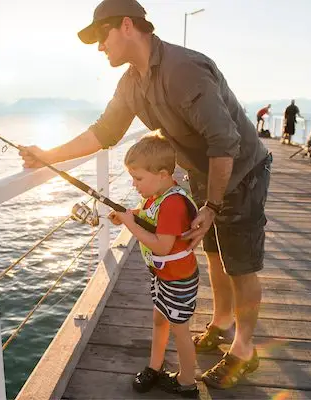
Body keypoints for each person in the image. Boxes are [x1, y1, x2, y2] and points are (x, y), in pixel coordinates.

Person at [18, 0, 271, 390]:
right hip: (202, 168)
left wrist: (212, 205)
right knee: (214, 251)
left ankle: (244, 349)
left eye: (101, 37)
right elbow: (103, 132)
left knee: (241, 261)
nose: (100, 48)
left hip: (240, 167)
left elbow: (225, 141)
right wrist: (48, 155)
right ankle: (222, 321)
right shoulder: (130, 84)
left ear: (126, 26)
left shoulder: (183, 69)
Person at [107, 133, 200, 397]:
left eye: (138, 178)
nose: (134, 184)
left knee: (181, 331)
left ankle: (187, 382)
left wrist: (129, 225)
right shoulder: (156, 196)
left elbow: (162, 246)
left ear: (161, 174)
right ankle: (154, 367)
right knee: (160, 320)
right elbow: (147, 215)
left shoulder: (172, 204)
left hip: (178, 279)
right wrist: (129, 215)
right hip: (163, 276)